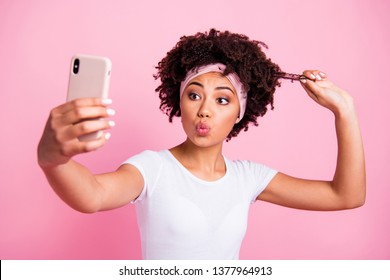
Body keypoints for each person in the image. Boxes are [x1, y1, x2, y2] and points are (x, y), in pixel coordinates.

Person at [37, 29, 366, 259]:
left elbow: (346, 196)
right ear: (180, 101)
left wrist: (345, 111)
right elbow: (93, 195)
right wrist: (53, 160)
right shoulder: (152, 169)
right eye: (194, 94)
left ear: (241, 111)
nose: (205, 109)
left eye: (223, 100)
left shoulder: (248, 178)